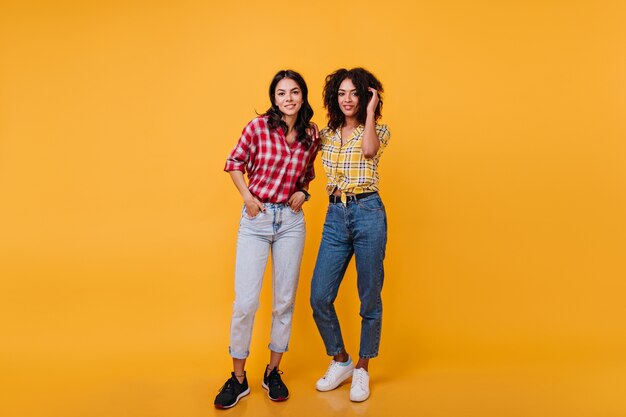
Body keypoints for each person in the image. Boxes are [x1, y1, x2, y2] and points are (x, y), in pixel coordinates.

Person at [214, 69, 319, 409]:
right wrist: (247, 197)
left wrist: (303, 190)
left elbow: (307, 172)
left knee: (284, 301)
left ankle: (273, 371)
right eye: (281, 93)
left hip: (291, 222)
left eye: (294, 92)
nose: (288, 98)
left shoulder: (310, 134)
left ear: (302, 96)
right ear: (273, 98)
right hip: (257, 221)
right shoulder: (258, 128)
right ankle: (238, 378)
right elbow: (234, 162)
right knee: (245, 303)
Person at [310, 67, 391, 402]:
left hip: (368, 212)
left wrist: (370, 113)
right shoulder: (326, 134)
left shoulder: (379, 130)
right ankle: (340, 359)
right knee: (319, 296)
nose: (347, 99)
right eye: (342, 93)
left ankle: (362, 368)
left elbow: (370, 151)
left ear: (366, 96)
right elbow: (301, 160)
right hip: (334, 215)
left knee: (369, 296)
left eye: (354, 93)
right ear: (334, 97)